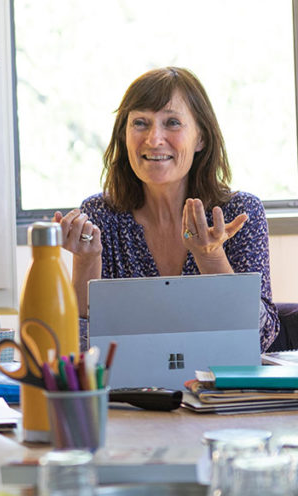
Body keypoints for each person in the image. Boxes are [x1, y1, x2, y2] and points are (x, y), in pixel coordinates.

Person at [54, 67, 279, 351]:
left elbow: (261, 338)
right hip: (131, 393)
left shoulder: (240, 212)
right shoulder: (100, 215)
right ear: (124, 136)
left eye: (172, 122)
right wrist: (86, 263)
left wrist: (210, 259)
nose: (154, 139)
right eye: (140, 123)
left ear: (201, 138)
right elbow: (80, 349)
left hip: (216, 390)